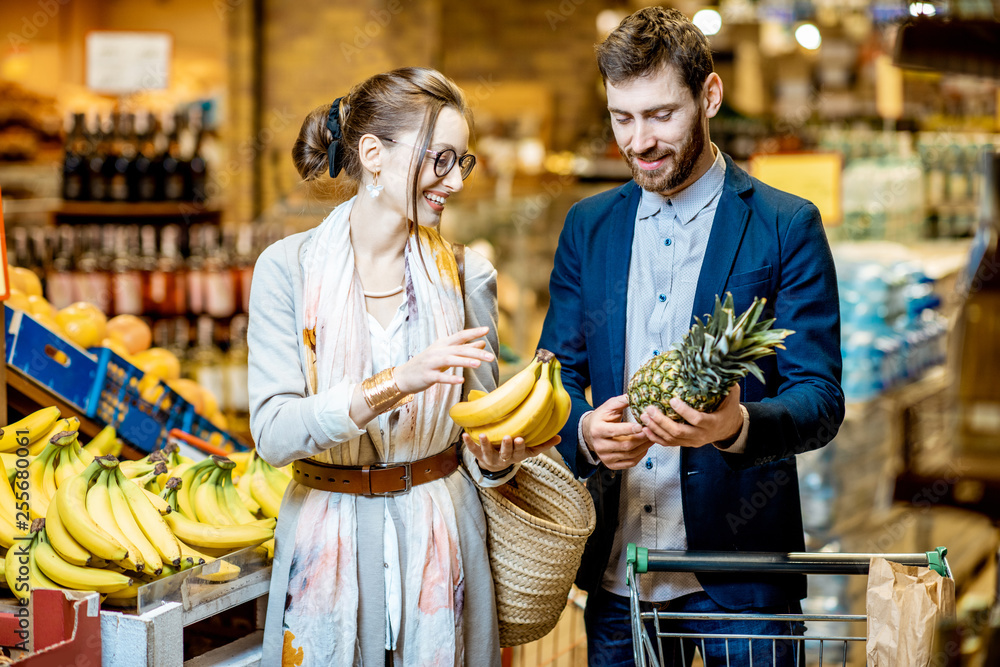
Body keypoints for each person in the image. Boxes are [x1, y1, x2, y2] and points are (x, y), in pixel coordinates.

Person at [537, 7, 845, 666]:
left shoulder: (786, 224)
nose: (639, 142)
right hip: (623, 583)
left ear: (709, 96)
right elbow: (552, 374)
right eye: (623, 118)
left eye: (660, 116)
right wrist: (586, 430)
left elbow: (820, 399)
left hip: (743, 585)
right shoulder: (588, 227)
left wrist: (735, 424)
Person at [248, 67, 552, 667]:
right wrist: (397, 381)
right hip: (324, 539)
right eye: (439, 159)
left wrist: (494, 463)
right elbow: (274, 434)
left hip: (445, 542)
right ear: (373, 154)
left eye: (460, 163)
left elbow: (477, 436)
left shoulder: (469, 276)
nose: (453, 183)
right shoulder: (287, 270)